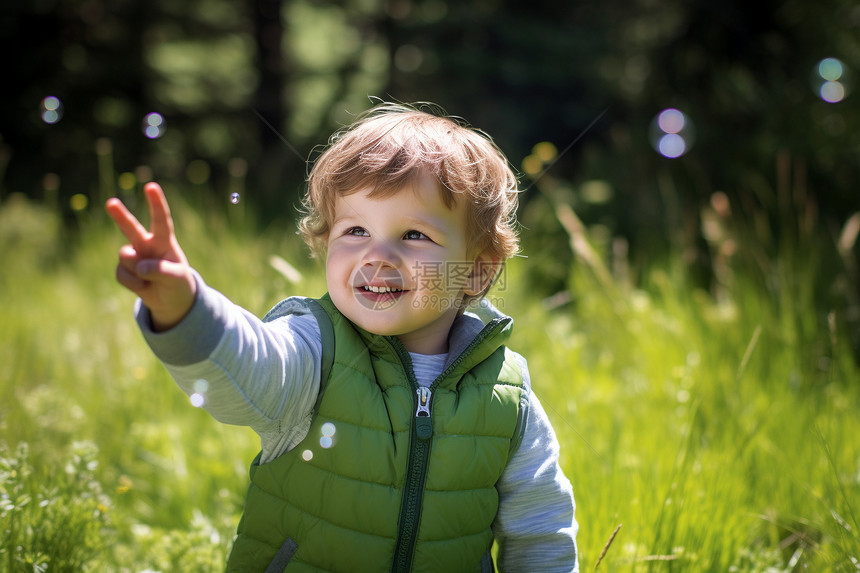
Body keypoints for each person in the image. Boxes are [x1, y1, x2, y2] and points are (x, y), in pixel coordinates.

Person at [106, 102, 578, 572]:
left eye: (413, 234)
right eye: (355, 230)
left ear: (475, 271)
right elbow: (246, 369)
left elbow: (541, 533)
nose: (377, 255)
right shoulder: (315, 349)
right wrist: (185, 307)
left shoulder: (507, 394)